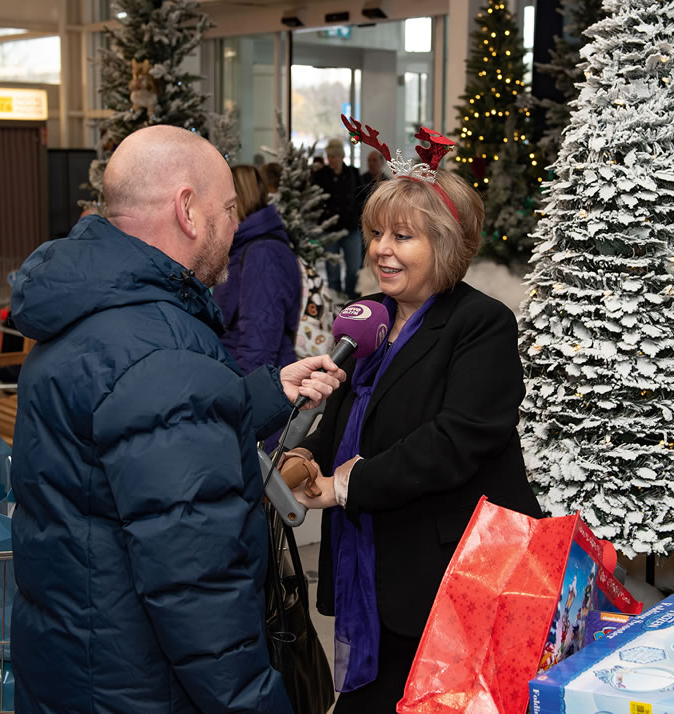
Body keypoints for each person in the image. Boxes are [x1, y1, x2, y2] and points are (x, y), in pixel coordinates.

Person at [9, 125, 345, 714]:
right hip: (141, 686)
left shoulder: (94, 309)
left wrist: (259, 395)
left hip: (77, 662)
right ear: (188, 210)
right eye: (230, 209)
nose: (236, 226)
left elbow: (132, 449)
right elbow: (199, 590)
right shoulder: (163, 352)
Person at [287, 164, 542, 711]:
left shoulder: (481, 324)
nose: (381, 249)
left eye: (403, 236)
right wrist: (308, 453)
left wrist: (342, 487)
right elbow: (346, 417)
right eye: (376, 233)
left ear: (446, 246)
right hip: (373, 570)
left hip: (449, 578)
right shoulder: (370, 321)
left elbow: (452, 443)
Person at [213, 164, 301, 374]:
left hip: (253, 382)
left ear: (235, 201)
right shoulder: (247, 246)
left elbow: (260, 338)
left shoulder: (262, 252)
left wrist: (247, 393)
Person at [313, 139, 363, 299]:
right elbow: (315, 200)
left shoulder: (353, 174)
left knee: (354, 268)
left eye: (333, 156)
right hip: (329, 230)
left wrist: (357, 218)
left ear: (341, 156)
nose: (331, 160)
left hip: (351, 228)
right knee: (332, 269)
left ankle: (351, 298)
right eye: (329, 156)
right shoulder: (321, 176)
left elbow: (360, 199)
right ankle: (335, 299)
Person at [357, 150, 387, 218]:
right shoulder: (360, 180)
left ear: (382, 162)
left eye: (374, 160)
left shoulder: (388, 181)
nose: (371, 163)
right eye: (369, 160)